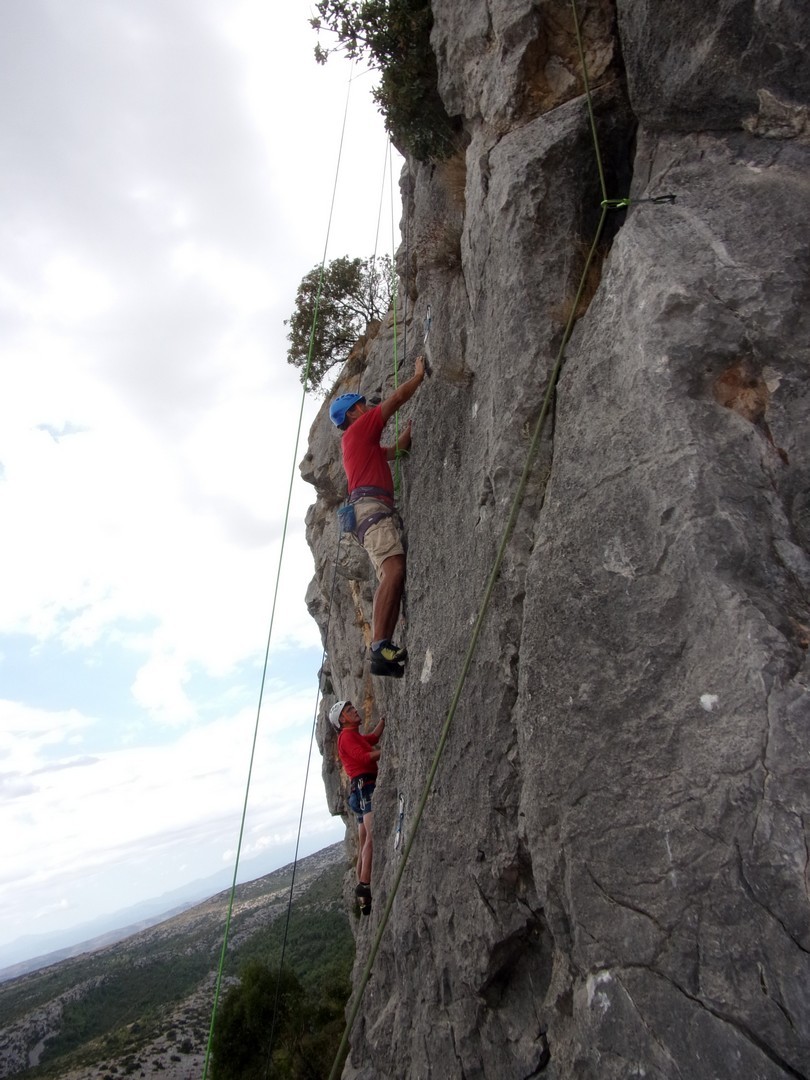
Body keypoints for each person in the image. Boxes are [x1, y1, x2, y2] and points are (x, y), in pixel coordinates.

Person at [329, 355, 426, 677]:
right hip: (371, 510)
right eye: (362, 405)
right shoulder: (358, 430)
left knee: (394, 576)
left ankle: (384, 648)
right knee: (393, 571)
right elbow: (396, 399)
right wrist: (418, 375)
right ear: (353, 413)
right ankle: (380, 645)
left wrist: (408, 435)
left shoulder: (362, 444)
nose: (366, 408)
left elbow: (395, 452)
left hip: (369, 511)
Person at [330, 699, 385, 916]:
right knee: (371, 837)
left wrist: (383, 721)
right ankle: (364, 884)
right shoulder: (345, 738)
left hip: (359, 790)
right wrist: (386, 751)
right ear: (342, 719)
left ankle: (362, 898)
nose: (355, 710)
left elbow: (371, 739)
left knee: (363, 841)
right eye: (349, 710)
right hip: (365, 788)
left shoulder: (353, 736)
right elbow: (364, 757)